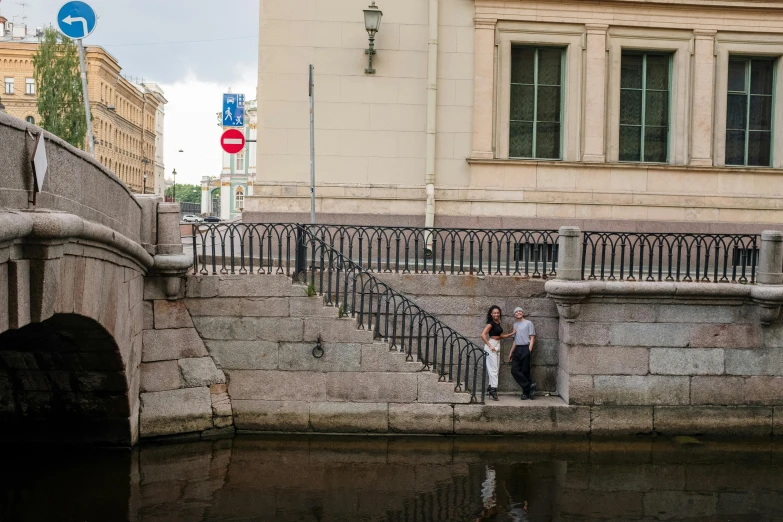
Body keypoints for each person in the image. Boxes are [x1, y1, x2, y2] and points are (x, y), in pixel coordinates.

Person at [481, 305, 514, 401]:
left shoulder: (497, 323)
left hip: (497, 345)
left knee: (496, 368)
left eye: (498, 313)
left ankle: (491, 386)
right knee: (493, 369)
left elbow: (500, 336)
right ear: (491, 314)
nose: (496, 314)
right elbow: (483, 335)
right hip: (491, 345)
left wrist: (511, 334)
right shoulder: (490, 324)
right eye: (494, 313)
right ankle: (493, 390)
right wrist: (490, 345)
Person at [507, 307, 536, 400]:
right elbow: (515, 340)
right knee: (514, 370)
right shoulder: (515, 325)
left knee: (525, 370)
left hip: (525, 348)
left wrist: (529, 349)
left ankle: (526, 393)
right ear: (514, 314)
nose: (518, 313)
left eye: (520, 311)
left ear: (523, 313)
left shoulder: (528, 323)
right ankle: (529, 386)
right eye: (516, 312)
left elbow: (532, 337)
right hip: (517, 349)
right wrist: (511, 352)